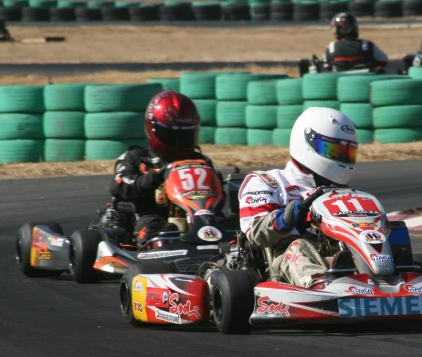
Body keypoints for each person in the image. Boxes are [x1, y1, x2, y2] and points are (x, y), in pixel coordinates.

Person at [239, 107, 358, 287]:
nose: (340, 158)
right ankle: (321, 287)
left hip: (338, 257)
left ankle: (394, 275)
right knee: (298, 247)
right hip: (285, 265)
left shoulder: (346, 193)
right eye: (333, 150)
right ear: (307, 143)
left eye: (345, 153)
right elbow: (256, 234)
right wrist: (288, 217)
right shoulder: (269, 182)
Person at [109, 90, 217, 247]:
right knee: (163, 230)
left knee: (231, 222)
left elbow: (218, 196)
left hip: (200, 218)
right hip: (151, 217)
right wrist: (145, 181)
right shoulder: (137, 157)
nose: (181, 143)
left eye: (186, 135)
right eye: (174, 136)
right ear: (154, 130)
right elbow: (118, 184)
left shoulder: (201, 161)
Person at [322, 12, 389, 72]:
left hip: (341, 82)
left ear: (335, 29)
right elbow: (384, 60)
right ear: (354, 27)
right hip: (365, 81)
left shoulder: (331, 47)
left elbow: (326, 66)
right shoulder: (367, 45)